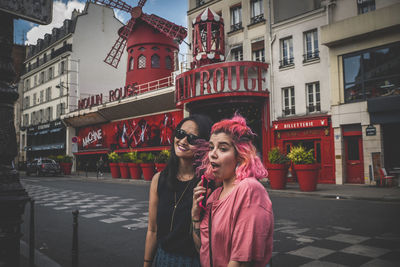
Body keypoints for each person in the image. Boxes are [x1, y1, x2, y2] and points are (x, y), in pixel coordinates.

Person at [192, 114, 274, 267]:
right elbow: (202, 249)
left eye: (222, 149)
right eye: (211, 147)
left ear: (240, 155)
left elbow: (241, 260)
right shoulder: (214, 195)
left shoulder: (249, 189)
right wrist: (195, 215)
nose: (212, 154)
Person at [144, 114, 213, 267]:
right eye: (180, 134)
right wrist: (147, 262)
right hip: (162, 259)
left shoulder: (208, 184)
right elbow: (153, 230)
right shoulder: (159, 179)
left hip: (194, 261)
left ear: (204, 145)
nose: (182, 141)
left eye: (192, 138)